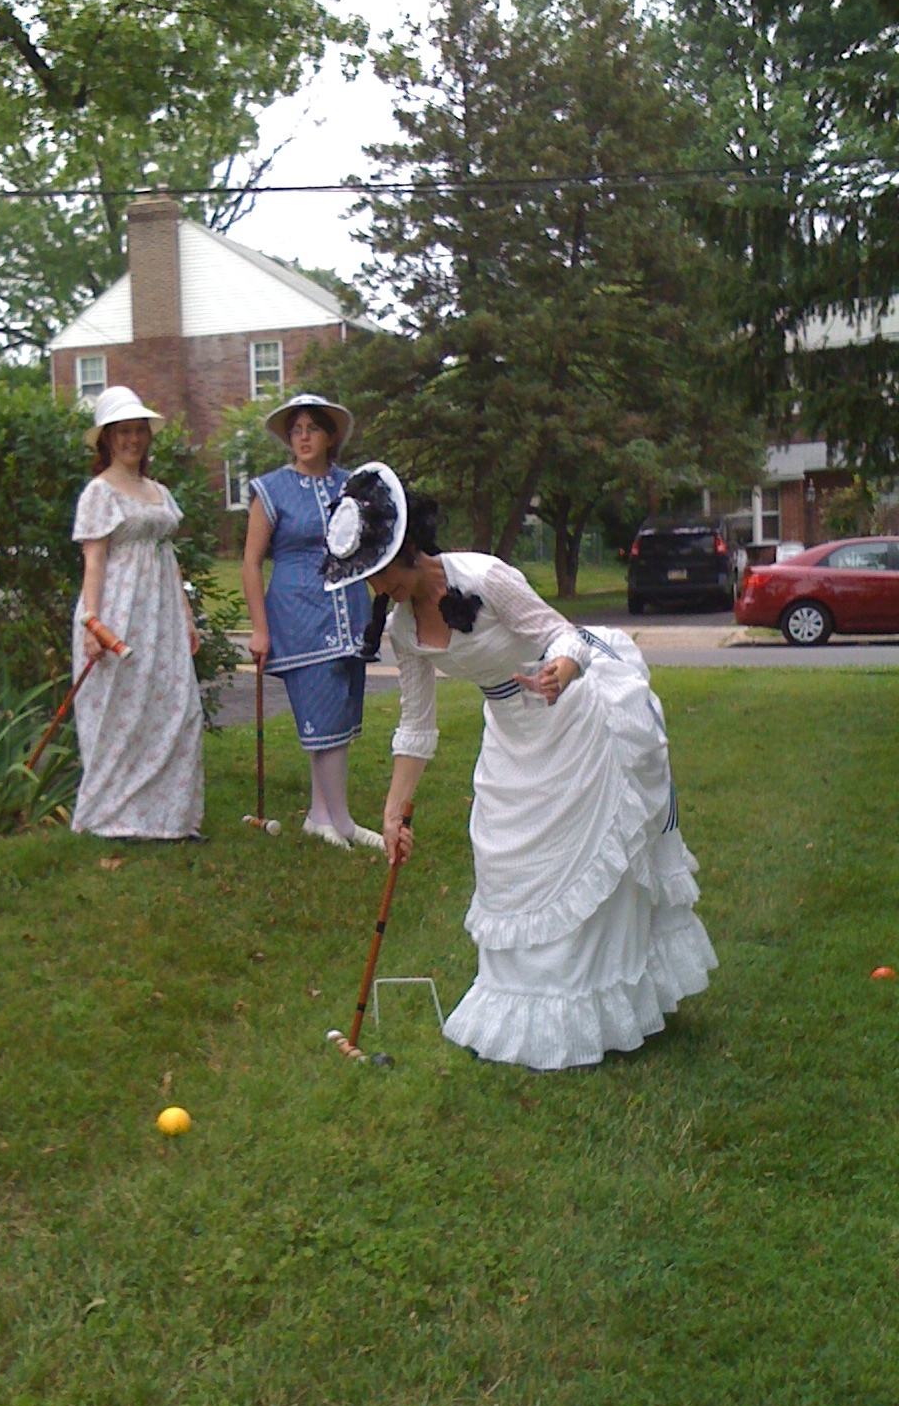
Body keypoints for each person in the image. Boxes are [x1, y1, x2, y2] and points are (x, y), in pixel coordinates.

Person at [322, 462, 717, 1070]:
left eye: (378, 575)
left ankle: (595, 1009)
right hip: (510, 734)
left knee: (583, 865)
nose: (377, 590)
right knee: (510, 864)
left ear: (406, 550)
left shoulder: (485, 575)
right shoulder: (402, 628)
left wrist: (563, 670)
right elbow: (417, 725)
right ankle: (528, 1009)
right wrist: (395, 807)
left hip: (572, 719)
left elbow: (562, 635)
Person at [242, 393, 381, 850]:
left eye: (312, 429)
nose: (302, 437)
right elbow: (250, 563)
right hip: (298, 609)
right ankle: (336, 818)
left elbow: (370, 546)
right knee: (321, 708)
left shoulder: (351, 485)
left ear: (329, 436)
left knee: (341, 707)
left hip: (349, 607)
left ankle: (324, 816)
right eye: (295, 429)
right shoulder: (271, 490)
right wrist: (259, 629)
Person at [70, 386, 204, 840]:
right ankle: (113, 817)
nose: (132, 439)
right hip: (119, 610)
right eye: (122, 432)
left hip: (162, 610)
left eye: (138, 431)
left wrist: (186, 616)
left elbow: (168, 554)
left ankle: (170, 818)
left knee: (177, 708)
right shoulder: (99, 492)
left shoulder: (158, 492)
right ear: (107, 439)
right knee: (122, 715)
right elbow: (94, 559)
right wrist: (92, 621)